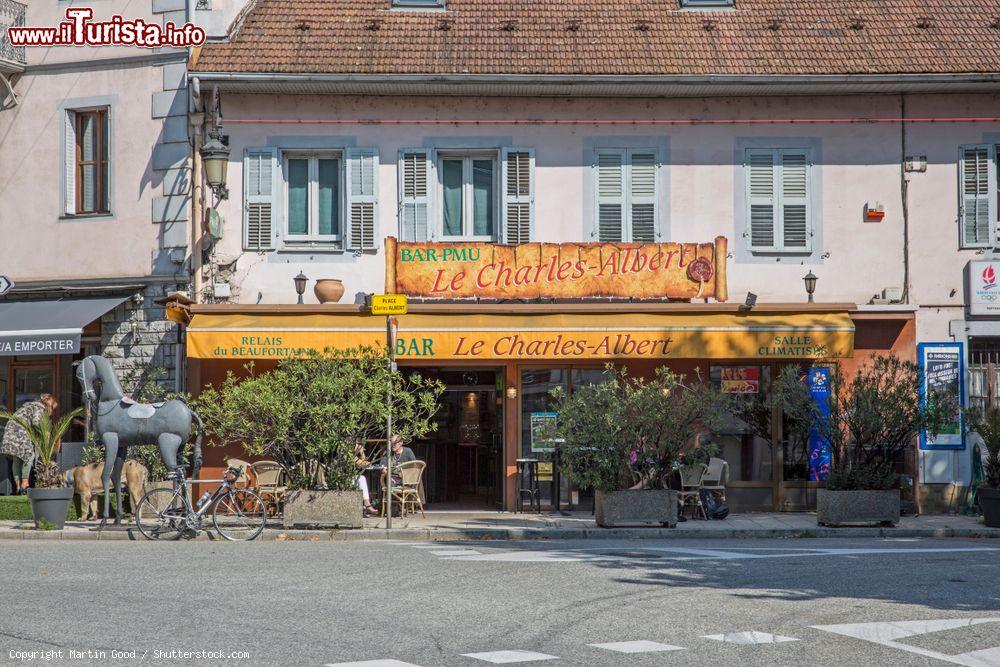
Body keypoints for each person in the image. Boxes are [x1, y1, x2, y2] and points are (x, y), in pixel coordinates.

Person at [1, 394, 58, 493]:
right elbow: (36, 422)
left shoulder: (27, 406)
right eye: (53, 407)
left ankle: (18, 487)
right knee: (29, 456)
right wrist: (46, 435)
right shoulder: (38, 408)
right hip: (20, 434)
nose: (52, 411)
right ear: (49, 404)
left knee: (17, 460)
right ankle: (25, 484)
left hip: (10, 434)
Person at [354, 442, 378, 517]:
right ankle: (367, 505)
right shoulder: (346, 453)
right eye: (356, 443)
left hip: (350, 477)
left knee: (361, 479)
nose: (358, 445)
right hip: (342, 479)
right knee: (361, 479)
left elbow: (363, 462)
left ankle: (366, 506)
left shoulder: (354, 455)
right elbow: (363, 464)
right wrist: (360, 452)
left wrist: (361, 452)